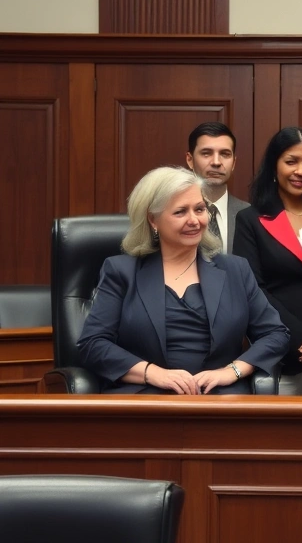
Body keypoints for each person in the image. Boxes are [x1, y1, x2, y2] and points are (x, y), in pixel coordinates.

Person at [78, 166, 288, 394]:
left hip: (218, 397)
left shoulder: (235, 270)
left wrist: (232, 371)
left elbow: (276, 334)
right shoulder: (121, 272)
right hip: (146, 396)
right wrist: (153, 373)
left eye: (199, 209)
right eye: (180, 212)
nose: (194, 220)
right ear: (153, 220)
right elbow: (93, 344)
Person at [234, 127, 302, 395]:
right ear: (274, 166)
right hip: (283, 360)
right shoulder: (250, 220)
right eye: (291, 161)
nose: (301, 171)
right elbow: (253, 290)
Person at [185, 122, 249, 253]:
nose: (216, 162)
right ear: (190, 160)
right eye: (206, 153)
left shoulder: (249, 214)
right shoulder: (173, 213)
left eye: (225, 154)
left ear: (233, 163)